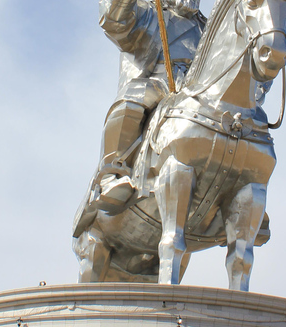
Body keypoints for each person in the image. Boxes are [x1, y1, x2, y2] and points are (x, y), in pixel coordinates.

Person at [74, 0, 205, 236]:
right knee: (131, 102)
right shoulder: (150, 12)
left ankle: (237, 189)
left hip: (199, 94)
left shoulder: (205, 27)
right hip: (160, 82)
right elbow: (116, 22)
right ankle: (112, 173)